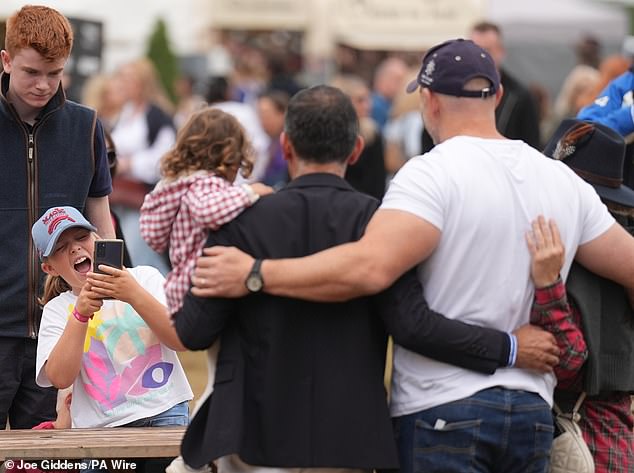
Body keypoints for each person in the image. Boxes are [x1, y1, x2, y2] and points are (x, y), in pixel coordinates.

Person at [190, 40, 634, 473]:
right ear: (497, 96)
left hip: (441, 407)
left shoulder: (429, 173)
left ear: (428, 99)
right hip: (531, 410)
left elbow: (368, 268)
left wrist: (256, 273)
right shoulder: (560, 180)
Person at [0, 4, 115, 430]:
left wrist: (113, 301)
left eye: (55, 72)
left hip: (61, 327)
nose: (44, 84)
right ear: (6, 60)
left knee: (51, 459)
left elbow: (102, 222)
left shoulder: (85, 125)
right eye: (32, 72)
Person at [32, 206, 193, 472]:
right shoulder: (58, 310)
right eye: (61, 247)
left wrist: (132, 293)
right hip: (100, 431)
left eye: (82, 237)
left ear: (100, 240)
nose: (74, 249)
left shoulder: (144, 278)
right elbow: (60, 378)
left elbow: (181, 340)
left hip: (166, 413)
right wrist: (80, 315)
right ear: (49, 268)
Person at [542, 119, 634, 472]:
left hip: (584, 432)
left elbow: (567, 362)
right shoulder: (621, 248)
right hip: (610, 430)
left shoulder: (580, 259)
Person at [109, 58, 176, 275]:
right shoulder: (125, 113)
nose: (123, 83)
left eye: (128, 78)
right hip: (121, 196)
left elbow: (164, 159)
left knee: (141, 258)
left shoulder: (156, 115)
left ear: (142, 83)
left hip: (144, 198)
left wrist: (129, 163)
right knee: (130, 255)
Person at [331, 74, 386, 200]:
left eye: (368, 99)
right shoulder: (326, 133)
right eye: (360, 100)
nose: (368, 106)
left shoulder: (372, 134)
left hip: (363, 206)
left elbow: (377, 183)